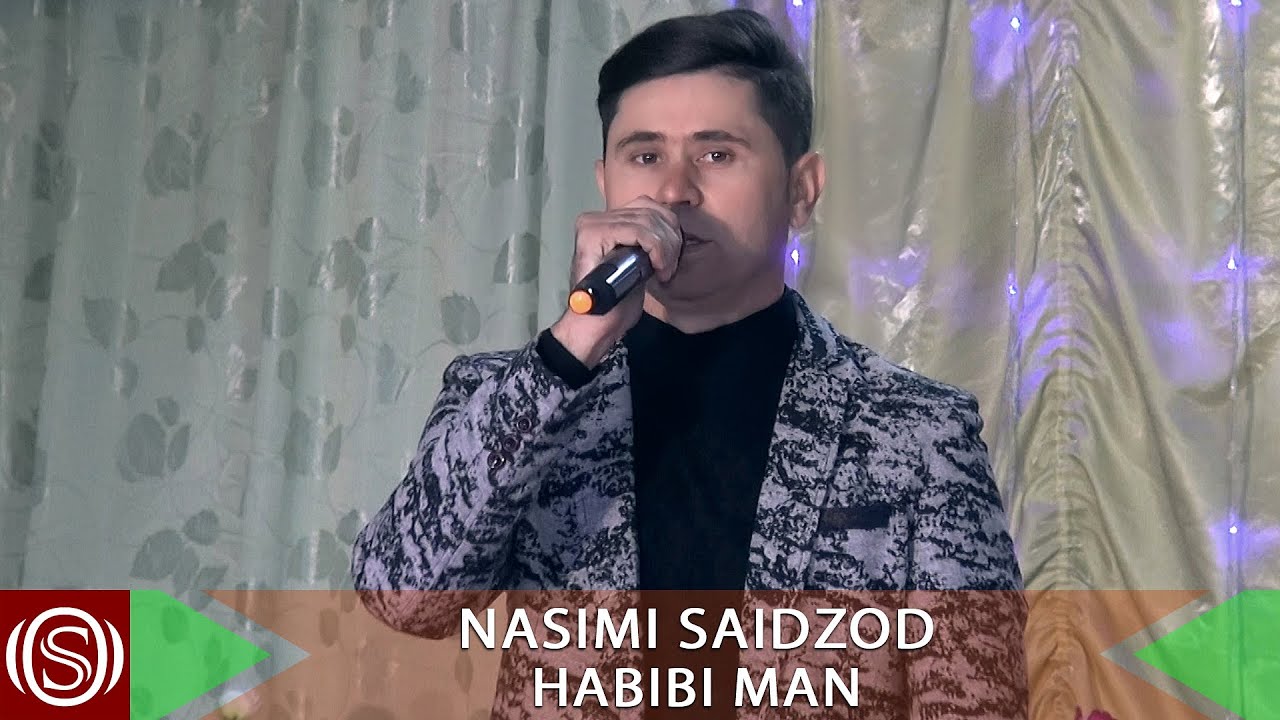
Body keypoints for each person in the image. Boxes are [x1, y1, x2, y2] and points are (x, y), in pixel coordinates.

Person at [352, 8, 1025, 719]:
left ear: (801, 190)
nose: (674, 191)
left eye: (716, 155)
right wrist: (570, 349)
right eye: (644, 156)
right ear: (605, 181)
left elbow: (977, 702)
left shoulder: (917, 431)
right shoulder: (515, 396)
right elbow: (405, 601)